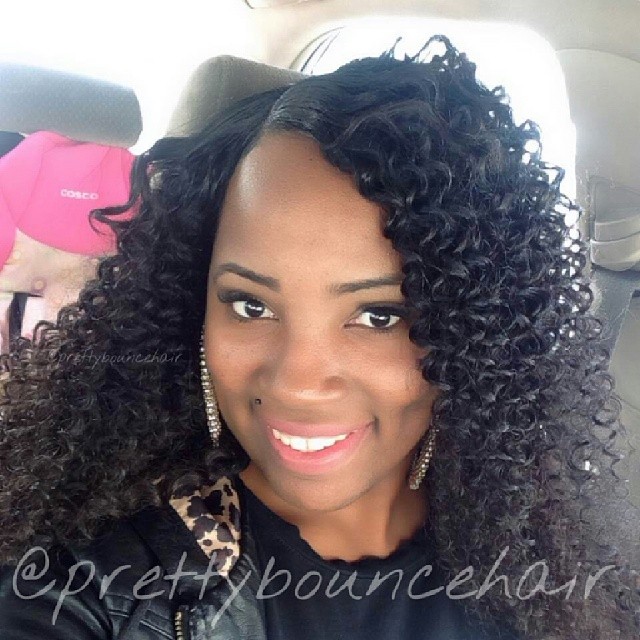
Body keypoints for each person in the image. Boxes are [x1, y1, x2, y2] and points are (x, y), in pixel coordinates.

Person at [0, 36, 639, 639]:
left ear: (474, 335)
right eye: (250, 305)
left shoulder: (545, 562)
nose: (299, 382)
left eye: (379, 316)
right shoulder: (86, 583)